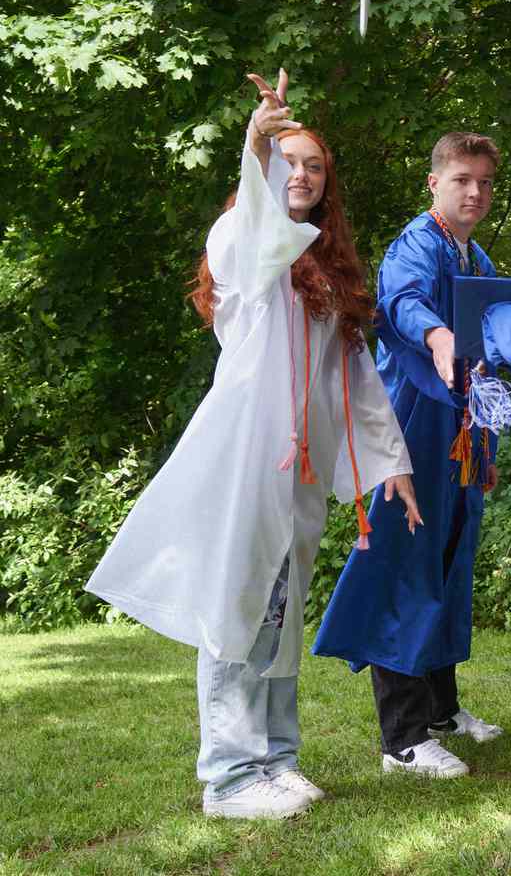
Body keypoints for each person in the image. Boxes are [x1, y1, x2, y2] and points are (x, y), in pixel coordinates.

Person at [87, 70, 420, 819]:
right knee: (239, 608)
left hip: (296, 470)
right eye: (287, 162)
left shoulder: (325, 276)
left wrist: (388, 462)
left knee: (281, 610)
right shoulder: (245, 249)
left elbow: (354, 376)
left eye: (313, 166)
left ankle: (276, 756)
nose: (300, 174)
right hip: (244, 461)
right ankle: (229, 777)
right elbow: (254, 232)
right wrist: (255, 138)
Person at [312, 131, 511, 778]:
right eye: (461, 180)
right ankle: (402, 739)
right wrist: (439, 333)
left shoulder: (476, 256)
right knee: (405, 566)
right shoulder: (416, 244)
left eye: (484, 182)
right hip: (411, 428)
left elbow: (489, 357)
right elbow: (402, 303)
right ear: (435, 184)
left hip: (460, 440)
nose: (474, 192)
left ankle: (442, 710)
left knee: (448, 567)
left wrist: (487, 444)